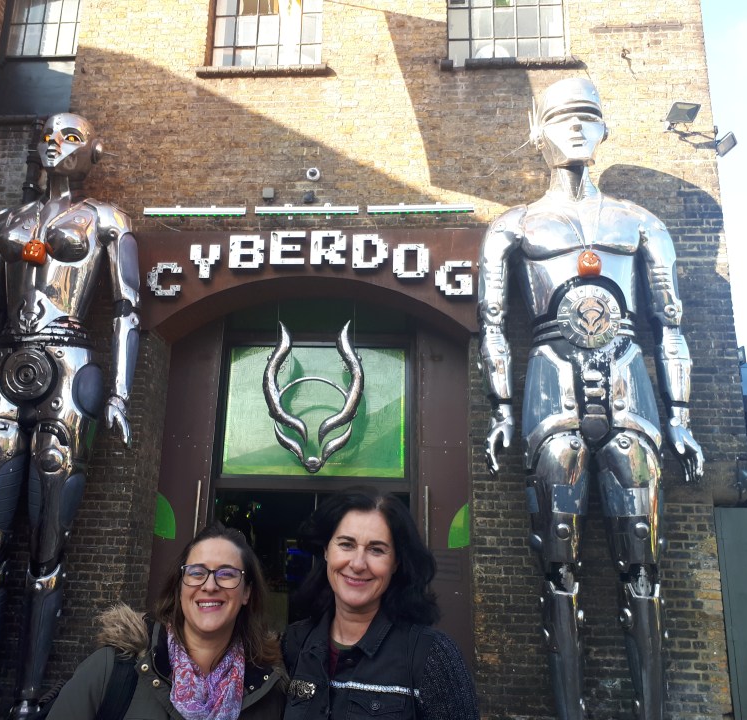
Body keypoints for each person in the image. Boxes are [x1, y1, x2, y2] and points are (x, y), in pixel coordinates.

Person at [477, 77, 704, 720]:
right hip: (551, 386)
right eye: (561, 117)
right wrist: (500, 410)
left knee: (644, 559)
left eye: (587, 116)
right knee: (557, 559)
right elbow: (492, 325)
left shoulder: (643, 224)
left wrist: (681, 417)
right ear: (537, 131)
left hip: (632, 382)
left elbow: (670, 325)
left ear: (605, 128)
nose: (576, 127)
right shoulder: (513, 226)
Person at [0, 113, 141, 720]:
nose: (55, 145)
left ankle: (27, 698)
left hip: (70, 365)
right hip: (6, 364)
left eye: (71, 137)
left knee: (49, 551)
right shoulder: (8, 222)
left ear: (94, 151)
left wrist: (120, 396)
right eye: (48, 136)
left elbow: (126, 310)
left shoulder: (107, 220)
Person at [45, 523, 286, 720]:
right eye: (197, 572)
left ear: (246, 593)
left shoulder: (269, 693)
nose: (210, 585)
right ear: (179, 588)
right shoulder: (112, 670)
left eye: (227, 574)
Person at [282, 490, 478, 720]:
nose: (358, 564)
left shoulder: (432, 656)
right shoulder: (294, 643)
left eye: (376, 550)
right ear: (326, 550)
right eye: (346, 544)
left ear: (396, 562)